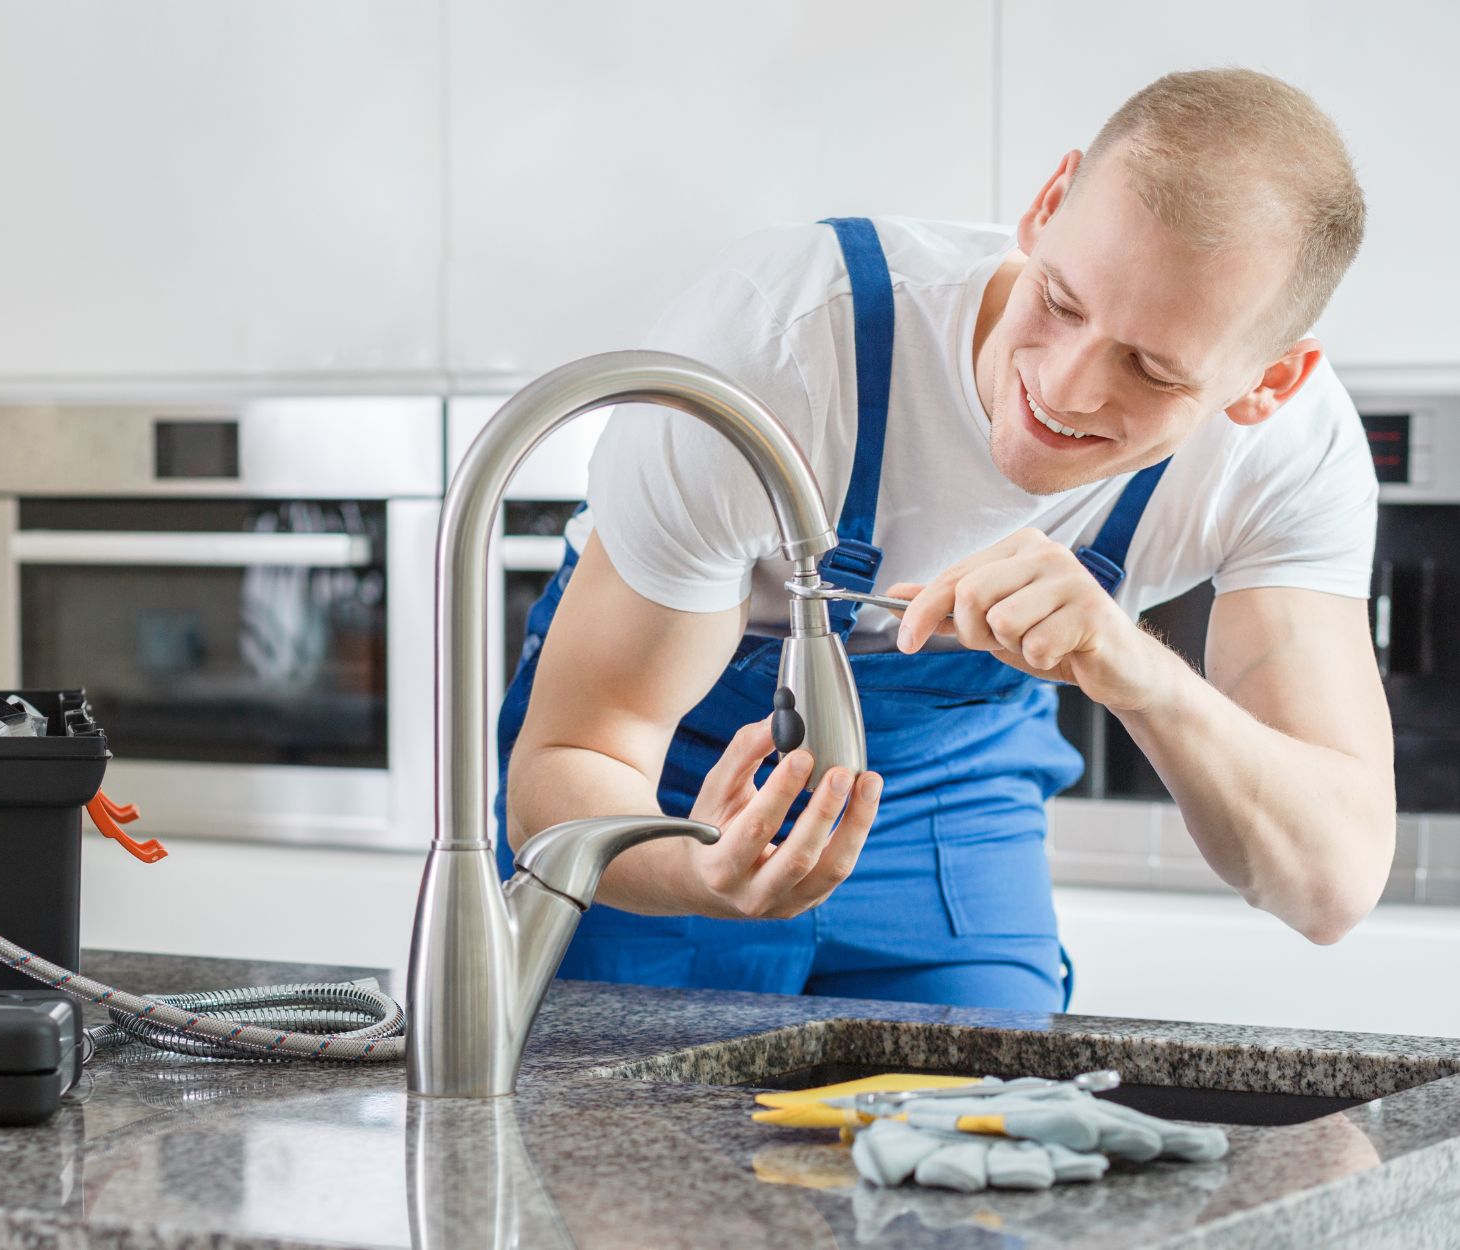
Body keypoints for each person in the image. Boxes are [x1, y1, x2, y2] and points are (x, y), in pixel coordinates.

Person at [493, 68, 1394, 1012]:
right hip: (677, 787)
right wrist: (698, 873)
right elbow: (569, 761)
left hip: (952, 793)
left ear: (1268, 382)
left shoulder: (1286, 460)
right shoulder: (780, 345)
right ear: (1048, 206)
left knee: (992, 1138)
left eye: (1153, 370)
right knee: (614, 1132)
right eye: (1062, 301)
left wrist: (1135, 668)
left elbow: (1331, 886)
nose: (1065, 387)